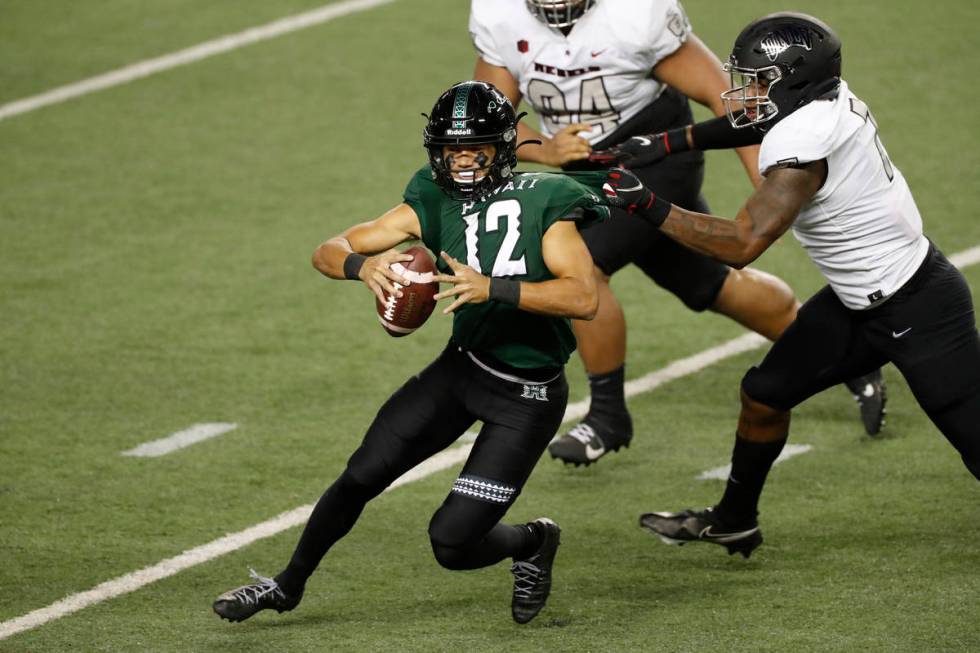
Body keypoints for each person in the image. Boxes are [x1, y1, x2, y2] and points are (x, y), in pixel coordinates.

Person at [212, 81, 611, 625]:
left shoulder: (546, 199)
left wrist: (493, 287)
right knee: (361, 474)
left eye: (476, 150)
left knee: (451, 542)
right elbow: (329, 249)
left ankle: (533, 542)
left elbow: (584, 297)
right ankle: (286, 586)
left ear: (503, 150)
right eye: (451, 151)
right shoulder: (430, 193)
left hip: (529, 395)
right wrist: (364, 267)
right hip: (464, 367)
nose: (463, 162)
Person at [590, 12, 980, 556]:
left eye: (757, 81)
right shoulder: (820, 102)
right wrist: (665, 143)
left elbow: (743, 243)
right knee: (764, 395)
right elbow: (757, 120)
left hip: (919, 307)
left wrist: (645, 203)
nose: (745, 93)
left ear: (792, 79)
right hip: (857, 302)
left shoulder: (803, 146)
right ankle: (734, 520)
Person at [469, 0, 885, 468]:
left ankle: (607, 415)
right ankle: (851, 355)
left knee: (580, 266)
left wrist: (767, 182)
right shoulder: (500, 14)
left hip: (654, 157)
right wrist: (545, 149)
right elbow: (487, 120)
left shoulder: (635, 13)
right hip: (582, 171)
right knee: (711, 285)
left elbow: (723, 94)